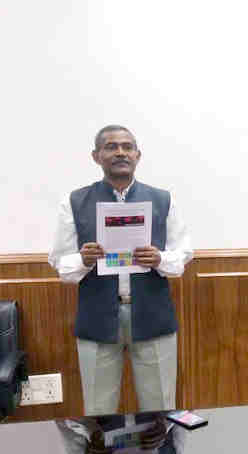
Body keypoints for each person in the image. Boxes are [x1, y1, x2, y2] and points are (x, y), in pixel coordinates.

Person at [49, 125, 192, 415]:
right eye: (111, 147)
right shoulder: (75, 202)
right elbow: (60, 263)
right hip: (97, 317)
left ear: (138, 155)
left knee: (160, 410)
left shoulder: (163, 199)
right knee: (99, 412)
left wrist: (159, 259)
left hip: (153, 316)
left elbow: (183, 255)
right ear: (96, 156)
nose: (120, 152)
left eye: (127, 147)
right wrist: (83, 260)